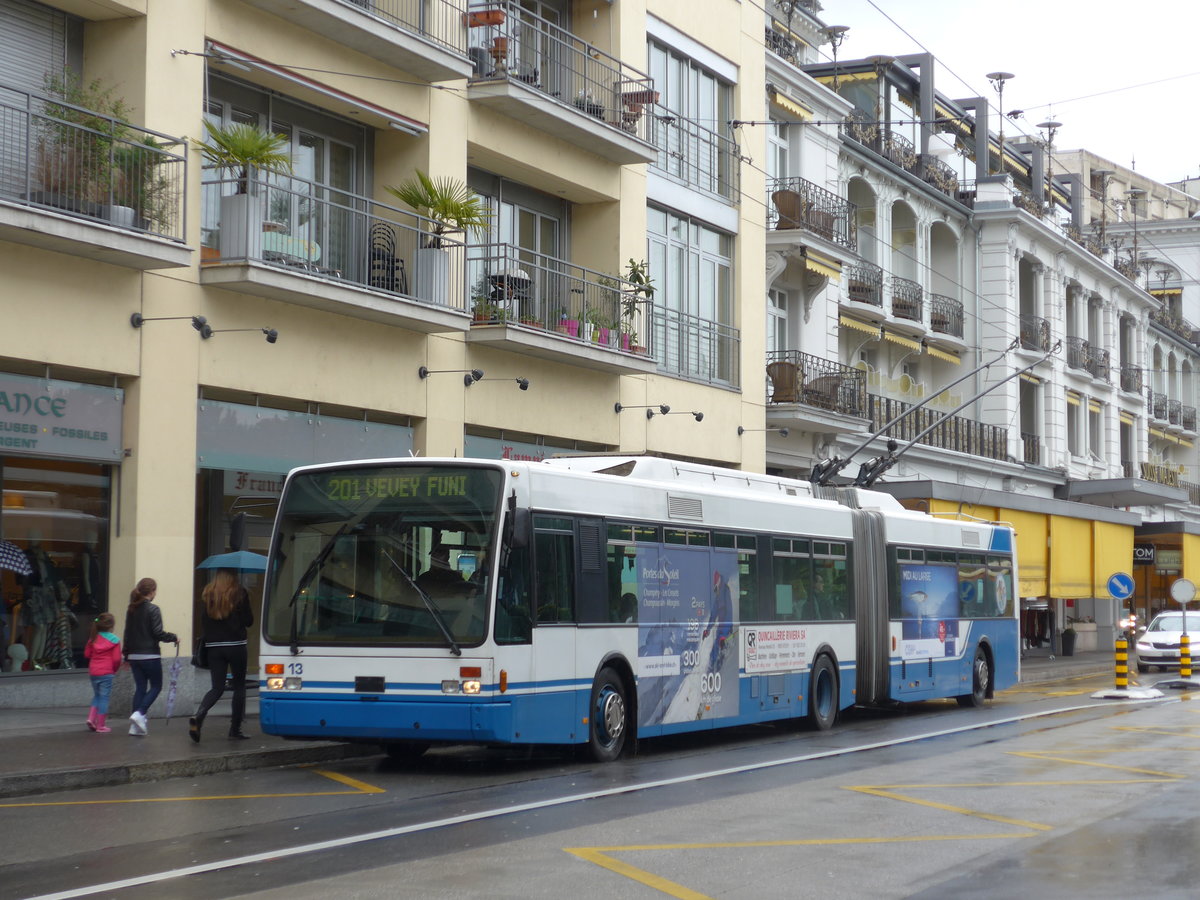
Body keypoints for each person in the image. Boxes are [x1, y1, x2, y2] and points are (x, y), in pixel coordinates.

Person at [190, 569, 254, 742]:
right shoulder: (240, 593)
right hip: (236, 646)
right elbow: (249, 621)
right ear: (232, 577)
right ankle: (235, 730)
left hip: (214, 647)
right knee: (239, 687)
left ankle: (199, 715)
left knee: (217, 688)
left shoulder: (208, 593)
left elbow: (204, 620)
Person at [123, 577, 178, 736]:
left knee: (140, 688)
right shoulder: (153, 609)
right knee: (156, 686)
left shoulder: (131, 609)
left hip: (134, 655)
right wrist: (173, 637)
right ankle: (139, 713)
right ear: (152, 591)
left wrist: (126, 655)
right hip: (150, 655)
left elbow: (127, 633)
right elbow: (157, 632)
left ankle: (135, 726)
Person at [83, 612, 122, 732]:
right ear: (112, 626)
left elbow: (86, 654)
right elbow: (116, 659)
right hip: (107, 671)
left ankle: (91, 718)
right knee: (104, 697)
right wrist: (114, 669)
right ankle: (100, 725)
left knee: (97, 695)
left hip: (94, 671)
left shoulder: (93, 638)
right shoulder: (115, 640)